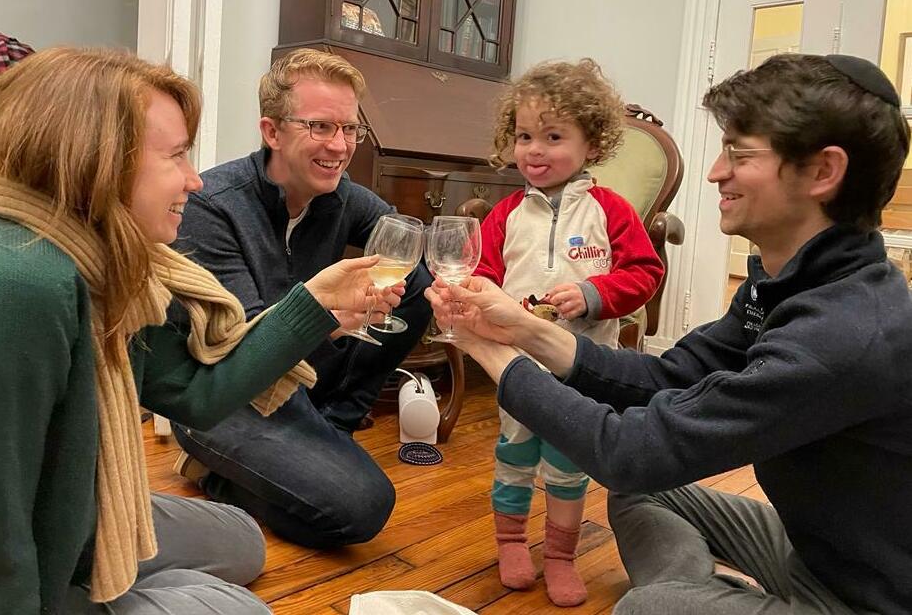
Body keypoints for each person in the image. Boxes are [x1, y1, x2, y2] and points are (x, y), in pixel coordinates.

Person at [0, 47, 399, 614]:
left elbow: (194, 392)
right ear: (97, 160)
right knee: (244, 608)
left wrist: (312, 305)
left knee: (242, 542)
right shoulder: (9, 291)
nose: (195, 180)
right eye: (177, 156)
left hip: (69, 509)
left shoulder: (103, 268)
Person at [426, 53, 912, 615]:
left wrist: (491, 349)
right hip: (812, 551)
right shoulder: (785, 287)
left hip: (864, 600)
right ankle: (702, 594)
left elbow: (632, 450)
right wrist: (527, 330)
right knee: (641, 496)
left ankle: (689, 597)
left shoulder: (843, 335)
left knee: (645, 607)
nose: (715, 172)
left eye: (739, 153)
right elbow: (663, 376)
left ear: (824, 172)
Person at [170, 48, 433, 548]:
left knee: (417, 293)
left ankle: (337, 425)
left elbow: (407, 245)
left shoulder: (341, 196)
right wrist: (332, 318)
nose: (340, 145)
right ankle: (213, 470)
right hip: (223, 395)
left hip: (301, 383)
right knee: (361, 507)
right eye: (321, 126)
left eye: (350, 129)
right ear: (272, 132)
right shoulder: (213, 206)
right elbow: (242, 345)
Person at [476, 60, 663, 606]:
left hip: (585, 367)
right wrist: (489, 301)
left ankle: (559, 554)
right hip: (516, 367)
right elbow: (483, 274)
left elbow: (645, 273)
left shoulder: (611, 211)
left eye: (554, 137)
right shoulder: (505, 214)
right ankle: (510, 541)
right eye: (525, 136)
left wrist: (595, 293)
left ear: (592, 143)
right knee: (513, 455)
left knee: (567, 465)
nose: (535, 150)